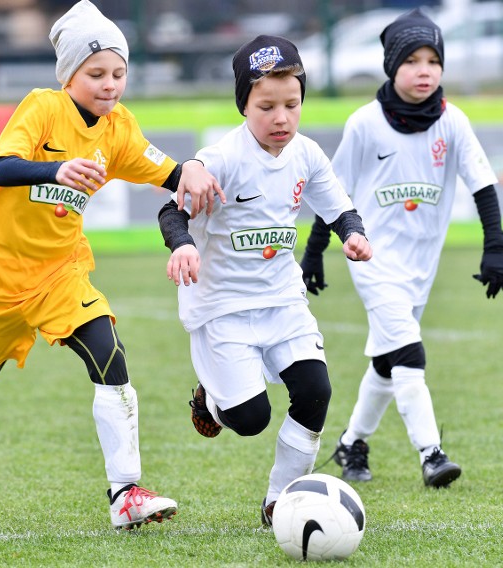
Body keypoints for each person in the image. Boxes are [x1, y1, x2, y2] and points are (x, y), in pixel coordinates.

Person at [0, 0, 224, 531]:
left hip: (60, 272)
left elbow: (167, 172)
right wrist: (56, 167)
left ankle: (125, 494)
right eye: (96, 73)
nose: (110, 84)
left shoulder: (118, 128)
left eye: (119, 73)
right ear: (69, 75)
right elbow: (0, 168)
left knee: (109, 354)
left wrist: (193, 169)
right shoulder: (42, 106)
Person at [157, 35, 372, 525]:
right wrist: (183, 244)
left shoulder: (307, 154)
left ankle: (281, 499)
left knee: (315, 390)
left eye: (292, 104)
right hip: (223, 308)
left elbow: (337, 205)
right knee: (250, 420)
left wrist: (353, 235)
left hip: (282, 301)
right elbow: (173, 211)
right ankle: (210, 399)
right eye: (267, 106)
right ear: (244, 104)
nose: (282, 118)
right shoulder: (223, 158)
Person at [300, 8, 503, 488]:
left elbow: (482, 185)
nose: (425, 70)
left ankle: (353, 443)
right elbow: (334, 192)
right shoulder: (365, 124)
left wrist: (494, 248)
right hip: (370, 259)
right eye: (413, 60)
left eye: (433, 60)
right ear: (392, 65)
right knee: (410, 354)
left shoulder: (452, 121)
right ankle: (432, 454)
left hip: (422, 265)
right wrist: (314, 252)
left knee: (386, 360)